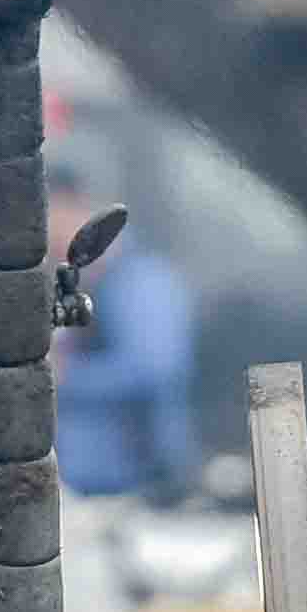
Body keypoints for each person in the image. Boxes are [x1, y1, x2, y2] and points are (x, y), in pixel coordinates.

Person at [51, 177, 199, 497]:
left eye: (57, 219)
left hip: (140, 486)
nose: (51, 236)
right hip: (88, 487)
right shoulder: (82, 281)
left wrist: (63, 377)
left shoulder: (140, 281)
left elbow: (154, 368)